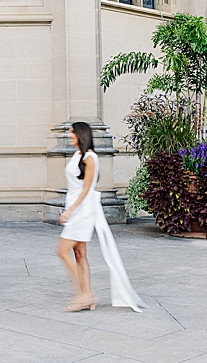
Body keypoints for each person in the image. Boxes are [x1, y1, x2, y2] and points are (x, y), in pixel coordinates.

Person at [56, 121, 146, 312]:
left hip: (82, 210)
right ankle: (87, 297)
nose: (69, 136)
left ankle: (83, 295)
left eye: (72, 133)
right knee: (79, 254)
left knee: (62, 251)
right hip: (74, 207)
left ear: (80, 134)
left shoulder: (90, 157)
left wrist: (70, 211)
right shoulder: (78, 155)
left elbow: (87, 188)